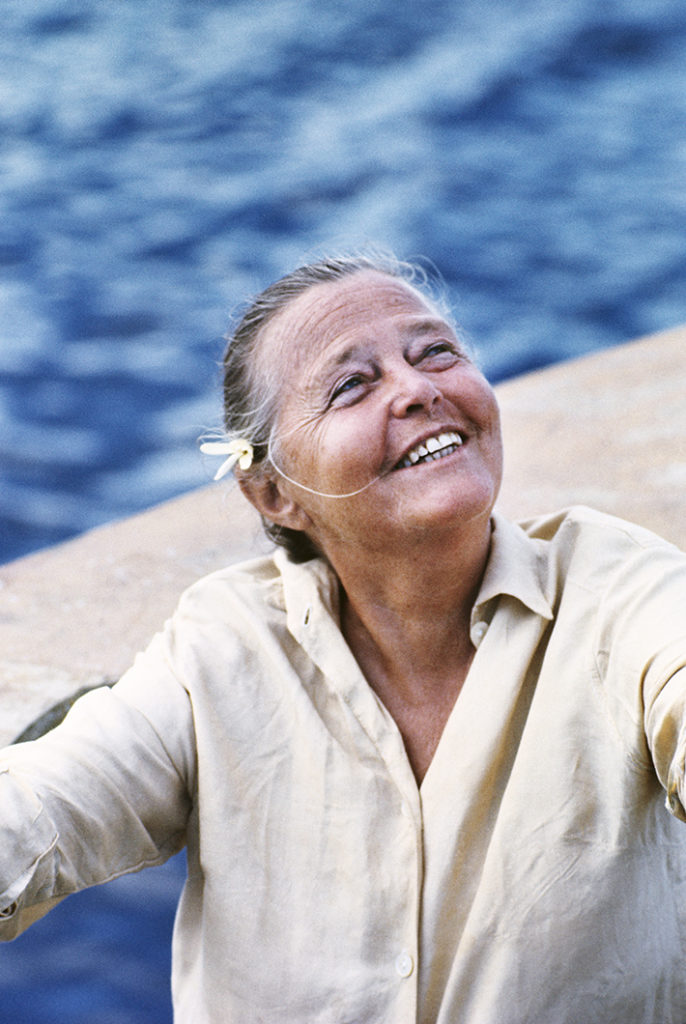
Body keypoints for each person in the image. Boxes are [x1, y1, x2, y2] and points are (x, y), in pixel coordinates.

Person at [2, 253, 686, 1023]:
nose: (417, 389)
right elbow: (44, 807)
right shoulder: (223, 649)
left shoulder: (613, 587)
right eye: (352, 386)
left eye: (437, 352)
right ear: (274, 493)